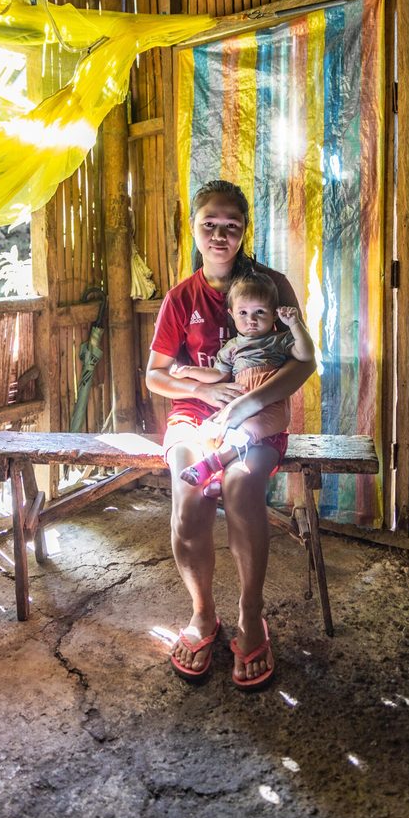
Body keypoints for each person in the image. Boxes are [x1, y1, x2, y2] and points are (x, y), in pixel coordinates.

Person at [145, 180, 316, 689]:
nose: (220, 235)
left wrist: (245, 402)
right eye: (209, 225)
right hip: (192, 417)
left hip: (259, 416)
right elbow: (155, 375)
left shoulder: (272, 286)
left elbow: (304, 364)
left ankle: (250, 614)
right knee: (189, 490)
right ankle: (202, 614)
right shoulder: (181, 298)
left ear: (244, 231)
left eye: (231, 226)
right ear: (194, 228)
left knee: (242, 487)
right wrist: (201, 387)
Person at [170, 270, 311, 495]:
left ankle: (208, 466)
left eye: (260, 312)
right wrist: (189, 371)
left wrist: (295, 325)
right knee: (211, 432)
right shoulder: (232, 347)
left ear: (274, 315)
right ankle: (218, 478)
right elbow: (217, 374)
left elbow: (306, 356)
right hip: (238, 405)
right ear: (231, 314)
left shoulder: (278, 340)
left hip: (270, 407)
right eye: (243, 312)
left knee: (245, 432)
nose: (251, 320)